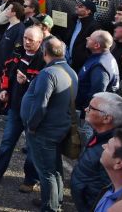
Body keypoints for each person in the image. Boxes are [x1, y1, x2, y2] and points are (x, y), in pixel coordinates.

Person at [0, 26, 44, 192]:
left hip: (33, 112)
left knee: (32, 147)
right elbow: (7, 71)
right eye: (25, 38)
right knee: (7, 142)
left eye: (31, 40)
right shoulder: (17, 53)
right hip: (15, 107)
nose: (26, 42)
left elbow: (45, 86)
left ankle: (30, 180)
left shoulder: (43, 59)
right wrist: (4, 89)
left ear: (40, 41)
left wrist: (27, 81)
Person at [20, 37, 78, 212]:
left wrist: (32, 126)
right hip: (60, 127)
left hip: (44, 130)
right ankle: (55, 200)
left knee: (46, 172)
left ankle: (50, 207)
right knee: (55, 168)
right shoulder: (70, 71)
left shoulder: (48, 73)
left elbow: (40, 105)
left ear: (44, 53)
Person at [71, 92, 122, 212]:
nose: (86, 109)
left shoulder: (112, 150)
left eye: (91, 108)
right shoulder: (99, 134)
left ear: (106, 118)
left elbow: (107, 188)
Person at [76, 30, 120, 141]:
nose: (87, 39)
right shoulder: (103, 57)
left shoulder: (100, 65)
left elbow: (98, 92)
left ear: (96, 45)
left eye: (90, 38)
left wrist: (87, 112)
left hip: (90, 114)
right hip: (89, 110)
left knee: (87, 139)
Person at [0, 2, 26, 78]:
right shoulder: (9, 24)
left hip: (9, 66)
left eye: (8, 9)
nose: (6, 11)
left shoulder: (20, 29)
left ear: (13, 13)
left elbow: (17, 50)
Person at [66, 0, 100, 73]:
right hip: (69, 61)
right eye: (77, 5)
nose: (76, 7)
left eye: (81, 6)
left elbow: (93, 48)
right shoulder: (74, 21)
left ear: (88, 11)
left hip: (81, 66)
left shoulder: (93, 26)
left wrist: (82, 59)